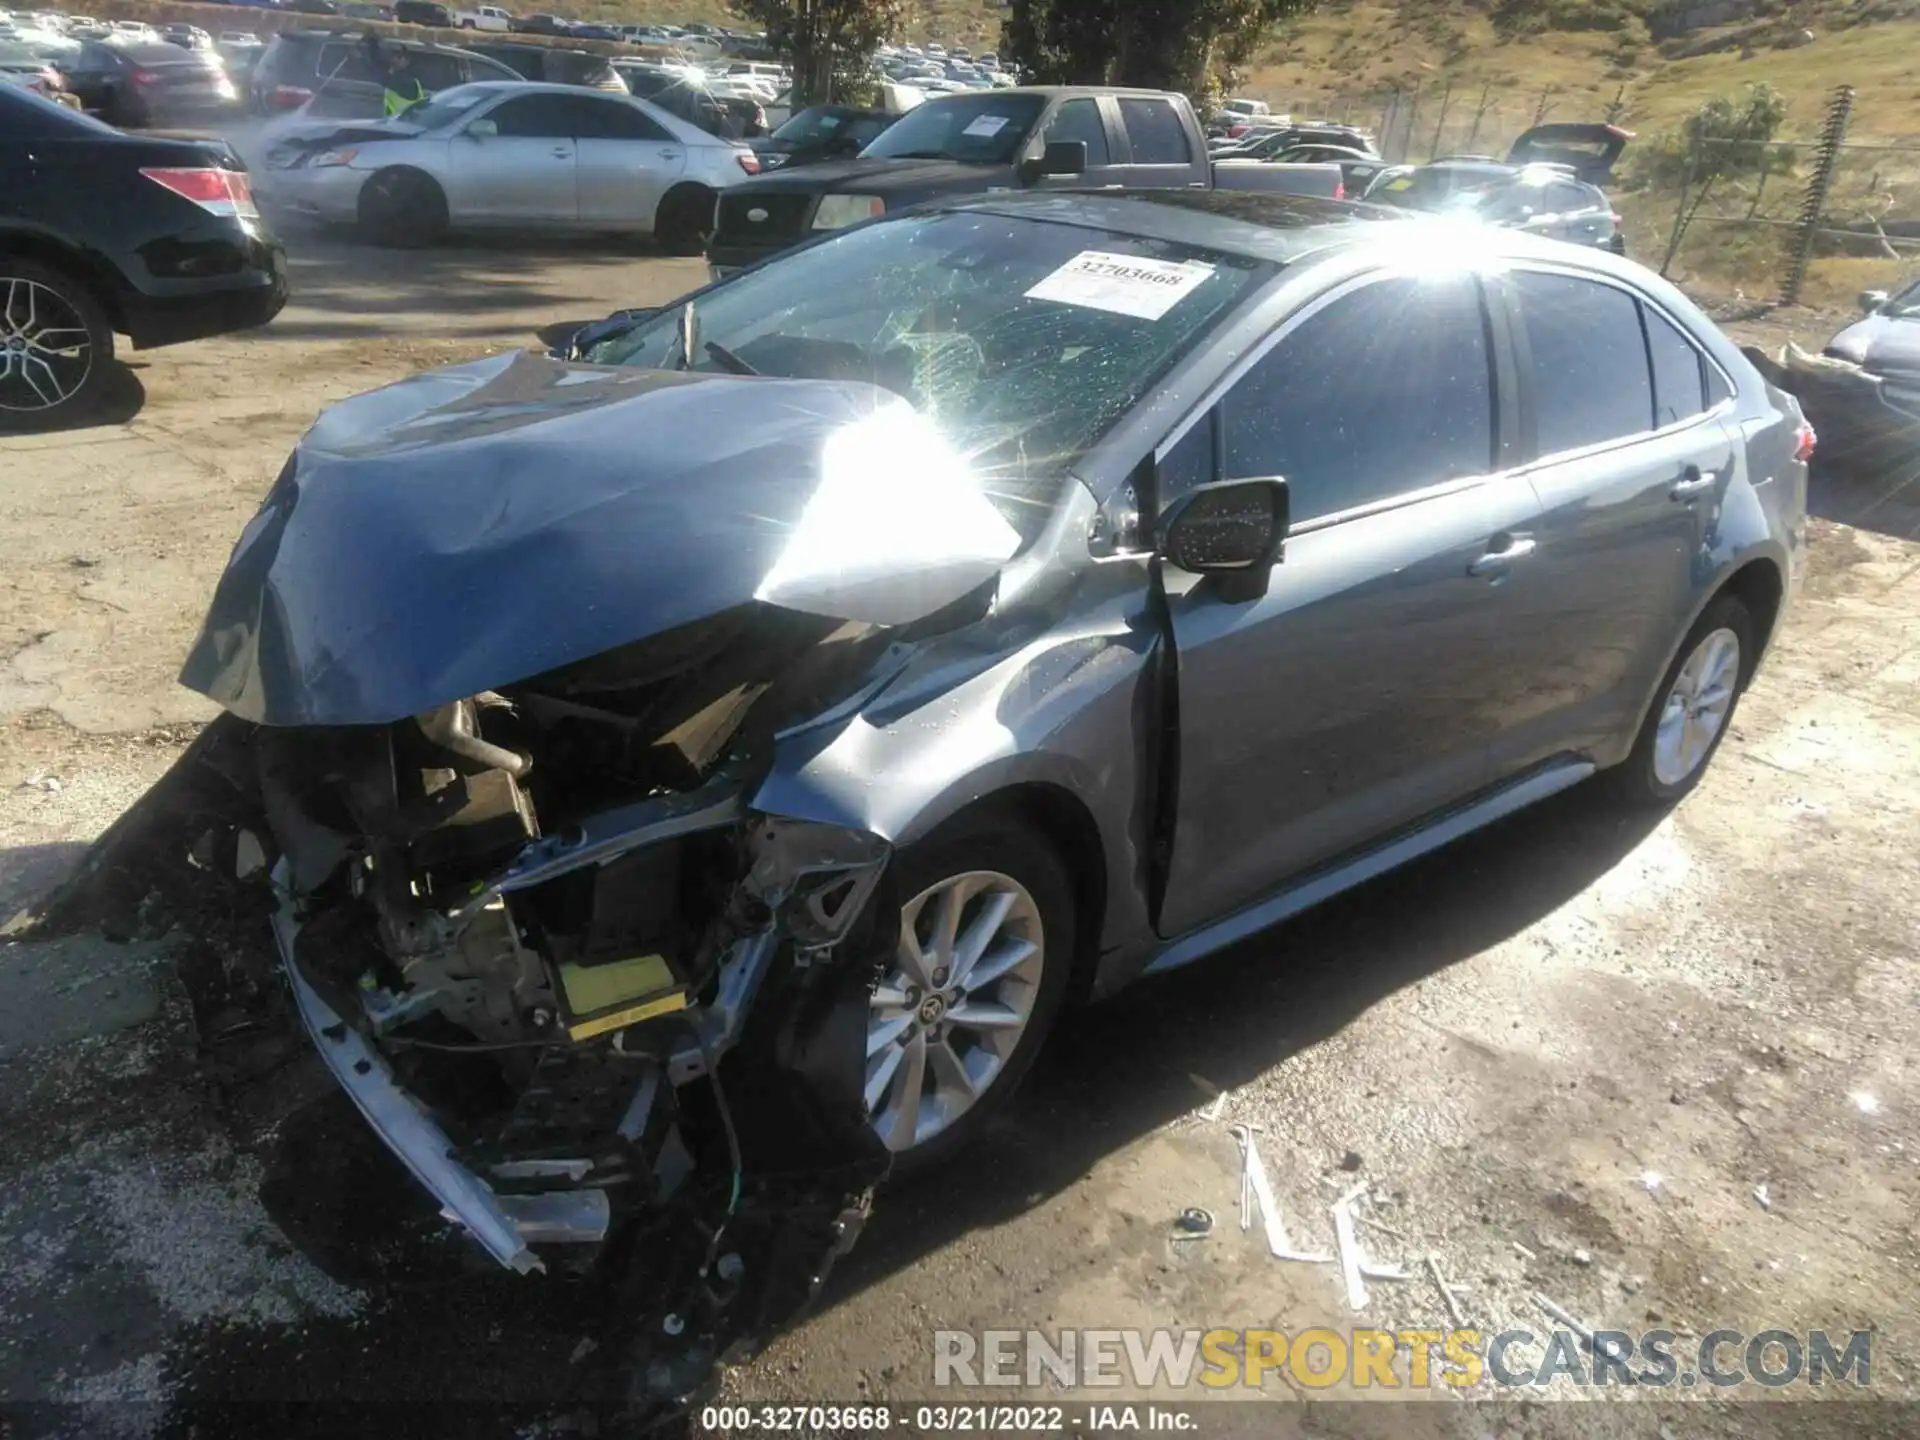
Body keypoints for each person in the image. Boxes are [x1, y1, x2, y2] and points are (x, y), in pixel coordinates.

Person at [377, 43, 428, 117]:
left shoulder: (407, 82)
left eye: (399, 56)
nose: (395, 59)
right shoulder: (409, 81)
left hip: (403, 124)